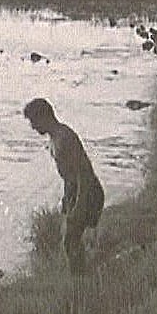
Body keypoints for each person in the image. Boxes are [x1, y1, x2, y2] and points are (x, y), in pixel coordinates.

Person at [23, 97, 105, 273]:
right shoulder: (54, 138)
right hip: (76, 192)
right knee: (72, 242)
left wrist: (79, 206)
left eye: (33, 121)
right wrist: (67, 200)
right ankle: (82, 280)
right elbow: (69, 176)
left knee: (71, 241)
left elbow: (84, 173)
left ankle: (81, 284)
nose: (33, 127)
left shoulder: (64, 138)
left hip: (88, 192)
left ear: (44, 116)